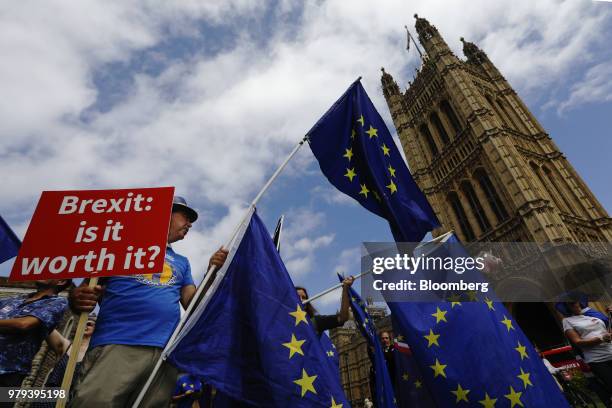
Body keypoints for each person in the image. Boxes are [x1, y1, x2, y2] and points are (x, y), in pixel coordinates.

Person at [69, 196, 228, 408]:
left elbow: (192, 305)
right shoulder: (118, 246)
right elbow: (85, 290)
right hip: (119, 342)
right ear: (162, 214)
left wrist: (212, 272)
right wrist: (76, 298)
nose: (189, 224)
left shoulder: (182, 262)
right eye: (185, 216)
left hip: (165, 353)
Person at [0, 279, 70, 390]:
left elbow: (23, 324)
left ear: (61, 281)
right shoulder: (14, 299)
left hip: (9, 371)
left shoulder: (57, 302)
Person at [31, 315, 97, 408]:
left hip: (71, 402)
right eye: (82, 324)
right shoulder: (66, 346)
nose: (85, 326)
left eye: (89, 324)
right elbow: (45, 326)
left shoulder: (95, 355)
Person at [561, 300, 612, 392]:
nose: (575, 305)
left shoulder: (593, 314)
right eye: (571, 304)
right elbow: (577, 342)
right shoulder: (567, 320)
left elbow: (608, 329)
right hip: (597, 360)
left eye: (575, 302)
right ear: (566, 307)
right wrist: (601, 338)